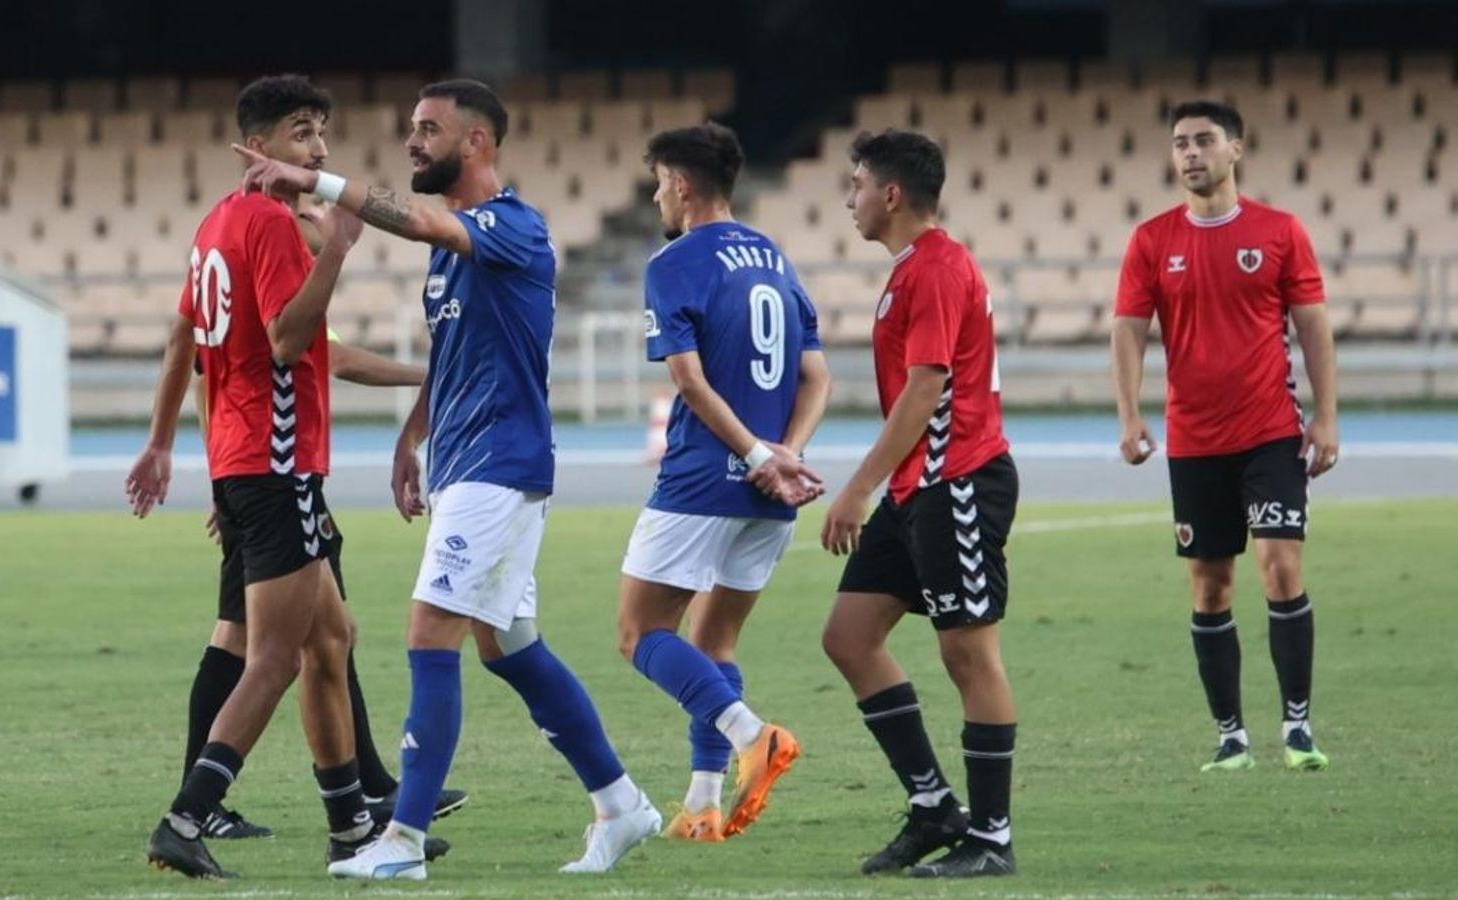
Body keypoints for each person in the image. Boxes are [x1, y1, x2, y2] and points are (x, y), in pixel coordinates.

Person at [234, 78, 660, 880]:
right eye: (411, 128)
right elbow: (453, 359)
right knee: (510, 647)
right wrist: (411, 438)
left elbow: (418, 217)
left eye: (428, 130)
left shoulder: (510, 227)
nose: (412, 141)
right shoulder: (454, 252)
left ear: (477, 143)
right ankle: (620, 804)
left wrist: (317, 182)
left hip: (501, 465)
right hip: (465, 462)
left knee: (430, 632)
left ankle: (401, 840)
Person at [126, 74, 372, 879]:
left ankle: (353, 828)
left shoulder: (214, 225)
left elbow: (186, 344)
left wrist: (170, 448)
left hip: (240, 461)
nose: (321, 148)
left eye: (324, 132)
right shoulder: (268, 222)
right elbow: (289, 341)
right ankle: (187, 816)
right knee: (274, 655)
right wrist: (336, 246)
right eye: (304, 133)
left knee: (330, 639)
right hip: (278, 460)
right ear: (259, 147)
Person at [616, 122, 831, 843]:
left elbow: (688, 378)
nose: (655, 196)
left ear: (680, 182)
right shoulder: (775, 258)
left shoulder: (675, 261)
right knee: (715, 642)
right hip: (772, 492)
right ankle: (705, 805)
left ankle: (751, 735)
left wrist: (755, 454)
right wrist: (786, 454)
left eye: (657, 183)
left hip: (706, 478)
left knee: (640, 632)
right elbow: (816, 373)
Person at [1111, 99, 1337, 773]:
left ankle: (1296, 726)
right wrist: (1129, 413)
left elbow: (1313, 327)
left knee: (1280, 567)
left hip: (1271, 431)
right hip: (1194, 439)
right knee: (1210, 587)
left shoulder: (1278, 232)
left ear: (1235, 149)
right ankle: (1231, 735)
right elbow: (1128, 330)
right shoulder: (1152, 241)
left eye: (1204, 140)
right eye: (1180, 142)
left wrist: (1325, 414)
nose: (1189, 153)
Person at [183, 325, 469, 853]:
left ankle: (360, 803)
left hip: (257, 477)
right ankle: (194, 809)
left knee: (328, 633)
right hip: (267, 480)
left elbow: (199, 364)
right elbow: (333, 357)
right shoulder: (280, 262)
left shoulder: (240, 263)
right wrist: (431, 374)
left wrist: (218, 471)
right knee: (253, 641)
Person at [819, 130, 1020, 879]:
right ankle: (936, 806)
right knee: (848, 636)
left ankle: (992, 839)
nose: (850, 200)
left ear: (891, 194)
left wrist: (858, 485)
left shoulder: (935, 268)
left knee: (968, 653)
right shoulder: (911, 270)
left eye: (857, 185)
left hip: (956, 481)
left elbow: (926, 386)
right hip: (918, 487)